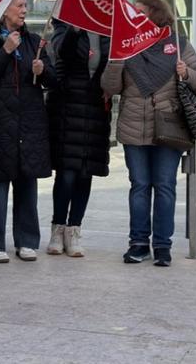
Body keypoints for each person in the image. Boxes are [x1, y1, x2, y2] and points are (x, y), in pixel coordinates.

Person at [101, 0, 196, 268]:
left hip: (169, 128)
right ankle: (138, 243)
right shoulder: (126, 45)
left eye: (139, 12)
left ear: (155, 15)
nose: (133, 17)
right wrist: (116, 59)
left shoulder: (178, 45)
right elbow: (110, 88)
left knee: (164, 187)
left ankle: (162, 245)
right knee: (139, 187)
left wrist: (186, 74)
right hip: (133, 128)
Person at [0, 0, 56, 262]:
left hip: (29, 122)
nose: (24, 10)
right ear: (3, 10)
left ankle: (27, 240)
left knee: (27, 181)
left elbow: (53, 80)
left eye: (24, 6)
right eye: (19, 6)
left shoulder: (34, 41)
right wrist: (5, 50)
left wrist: (43, 70)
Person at [45, 18, 112, 257]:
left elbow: (111, 63)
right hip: (67, 106)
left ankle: (74, 229)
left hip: (95, 108)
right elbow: (62, 51)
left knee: (85, 173)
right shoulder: (65, 24)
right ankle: (57, 228)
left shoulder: (107, 27)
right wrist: (75, 28)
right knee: (66, 174)